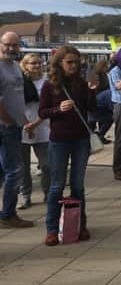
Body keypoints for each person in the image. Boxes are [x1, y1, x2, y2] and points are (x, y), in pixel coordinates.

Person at [39, 45, 97, 245]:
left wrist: (92, 91)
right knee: (56, 186)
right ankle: (52, 229)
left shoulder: (81, 83)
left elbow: (91, 108)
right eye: (69, 62)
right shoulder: (50, 85)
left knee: (78, 186)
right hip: (59, 140)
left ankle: (79, 225)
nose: (74, 65)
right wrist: (58, 109)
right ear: (60, 63)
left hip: (80, 139)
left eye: (76, 62)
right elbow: (42, 112)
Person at [0, 31, 33, 229]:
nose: (12, 48)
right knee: (16, 170)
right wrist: (7, 121)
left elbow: (17, 95)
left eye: (15, 45)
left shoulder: (14, 67)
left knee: (6, 171)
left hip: (15, 125)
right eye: (8, 44)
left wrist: (23, 119)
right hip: (5, 126)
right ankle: (8, 214)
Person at [19, 53, 50, 209]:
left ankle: (47, 193)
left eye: (39, 63)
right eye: (33, 63)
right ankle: (26, 196)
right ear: (25, 65)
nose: (37, 66)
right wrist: (26, 124)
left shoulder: (47, 82)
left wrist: (36, 124)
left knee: (46, 165)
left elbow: (49, 106)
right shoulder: (19, 82)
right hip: (23, 126)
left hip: (43, 126)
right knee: (23, 167)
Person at [88, 60, 112, 142]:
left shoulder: (104, 75)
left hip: (103, 100)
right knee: (92, 122)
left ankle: (100, 137)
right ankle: (94, 138)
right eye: (106, 66)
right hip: (96, 100)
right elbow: (91, 88)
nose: (107, 68)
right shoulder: (95, 75)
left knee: (101, 120)